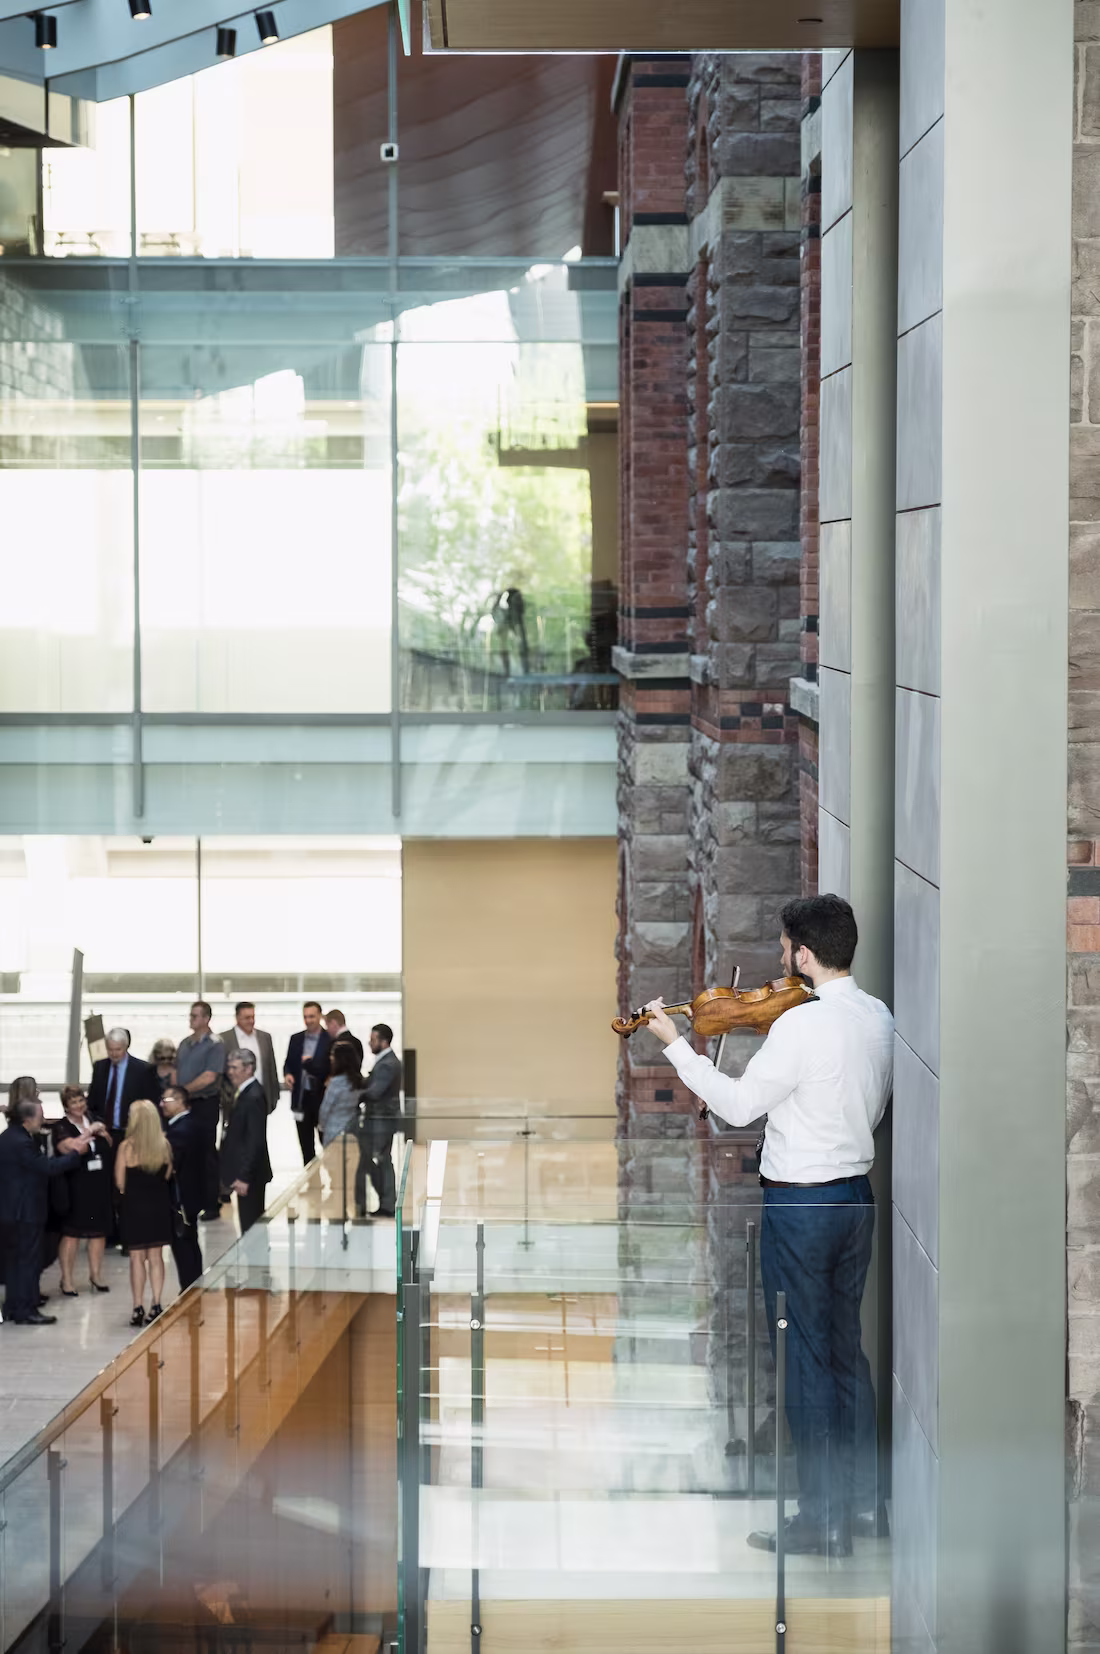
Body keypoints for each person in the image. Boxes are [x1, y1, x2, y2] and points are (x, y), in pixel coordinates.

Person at [644, 894, 893, 1559]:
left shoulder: (801, 1026)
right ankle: (863, 1505)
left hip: (803, 1206)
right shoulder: (877, 1016)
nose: (781, 959)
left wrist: (676, 1047)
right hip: (854, 1198)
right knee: (845, 1351)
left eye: (785, 949)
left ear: (804, 955)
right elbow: (872, 1107)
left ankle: (821, 1520)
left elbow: (736, 1106)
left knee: (807, 1359)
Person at [0, 1097, 89, 1324]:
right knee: (28, 1261)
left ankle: (13, 1306)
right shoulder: (23, 1142)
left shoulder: (8, 1137)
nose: (43, 1120)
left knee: (14, 1262)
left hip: (9, 1210)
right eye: (40, 1116)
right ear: (28, 1119)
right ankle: (26, 1310)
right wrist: (75, 1154)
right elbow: (47, 1167)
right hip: (25, 1212)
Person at [115, 1098, 174, 1327]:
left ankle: (137, 1307)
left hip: (134, 1207)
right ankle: (157, 1304)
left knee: (136, 1259)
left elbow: (120, 1182)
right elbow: (167, 1176)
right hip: (158, 1207)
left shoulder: (126, 1147)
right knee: (156, 1258)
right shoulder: (164, 1145)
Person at [51, 1086, 113, 1295]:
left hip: (99, 1183)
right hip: (75, 1185)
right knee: (72, 1233)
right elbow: (75, 1148)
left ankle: (96, 1275)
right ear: (66, 1106)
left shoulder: (93, 1118)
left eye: (81, 1101)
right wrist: (90, 1132)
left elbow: (108, 1143)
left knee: (98, 1232)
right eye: (73, 1102)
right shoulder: (61, 1127)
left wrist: (98, 1131)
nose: (79, 1105)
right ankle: (67, 1280)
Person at [175, 1001, 228, 1223]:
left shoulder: (215, 1044)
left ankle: (211, 1203)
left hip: (205, 1103)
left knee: (206, 1153)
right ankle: (189, 1201)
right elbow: (177, 1071)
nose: (191, 1019)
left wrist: (182, 1091)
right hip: (185, 1104)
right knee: (187, 1153)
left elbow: (210, 1076)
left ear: (206, 1018)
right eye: (190, 1015)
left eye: (195, 1016)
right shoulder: (185, 1044)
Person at [219, 1050, 272, 1234]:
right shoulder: (245, 1093)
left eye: (235, 1068)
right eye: (229, 1068)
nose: (230, 1072)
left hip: (250, 1176)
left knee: (252, 1227)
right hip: (246, 1173)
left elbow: (254, 1140)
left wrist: (244, 1176)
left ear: (249, 1069)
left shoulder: (253, 1096)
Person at [356, 1024, 402, 1220]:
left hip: (381, 1120)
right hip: (380, 1119)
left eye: (373, 1039)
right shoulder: (384, 1061)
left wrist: (356, 1095)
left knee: (378, 1160)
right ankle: (387, 1201)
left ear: (384, 1041)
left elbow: (375, 1092)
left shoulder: (388, 1064)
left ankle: (388, 1201)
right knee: (381, 1160)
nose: (370, 1042)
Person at [161, 1085, 204, 1292]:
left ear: (180, 1102)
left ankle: (189, 1288)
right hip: (192, 1195)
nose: (162, 1104)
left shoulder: (180, 1131)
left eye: (166, 1101)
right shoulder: (190, 1124)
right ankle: (194, 1284)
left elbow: (171, 1163)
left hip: (181, 1198)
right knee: (190, 1242)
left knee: (183, 1245)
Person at [283, 1002, 331, 1167]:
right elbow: (288, 1063)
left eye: (312, 1016)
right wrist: (287, 1074)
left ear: (320, 1016)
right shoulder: (296, 1039)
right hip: (301, 1099)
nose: (308, 1020)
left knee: (327, 1144)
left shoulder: (330, 1040)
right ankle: (312, 1180)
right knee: (306, 1147)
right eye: (305, 1017)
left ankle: (333, 1178)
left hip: (322, 1099)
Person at [88, 1029, 159, 1138]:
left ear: (126, 1047)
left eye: (118, 1049)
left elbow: (150, 1103)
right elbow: (92, 1101)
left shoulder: (143, 1070)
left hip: (132, 1132)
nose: (114, 1054)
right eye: (110, 1049)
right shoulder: (100, 1067)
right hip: (103, 1132)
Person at [220, 1002, 278, 1114]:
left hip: (261, 1098)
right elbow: (221, 1071)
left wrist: (274, 1096)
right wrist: (225, 1097)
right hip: (233, 1099)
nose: (251, 1021)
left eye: (253, 1017)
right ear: (237, 1018)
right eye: (247, 1018)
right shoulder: (224, 1039)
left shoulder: (264, 1037)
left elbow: (271, 1067)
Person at [319, 1037, 366, 1147]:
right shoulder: (358, 1081)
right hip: (352, 1130)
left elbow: (325, 1109)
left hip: (333, 1131)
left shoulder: (335, 1082)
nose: (330, 1058)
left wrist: (321, 1126)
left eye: (333, 1055)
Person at [148, 1039, 178, 1108]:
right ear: (156, 1056)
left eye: (169, 1058)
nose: (166, 1061)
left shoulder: (177, 1071)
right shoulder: (149, 1071)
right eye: (162, 1058)